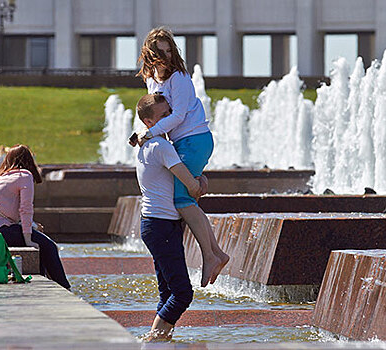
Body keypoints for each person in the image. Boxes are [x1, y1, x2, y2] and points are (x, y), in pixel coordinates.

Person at [134, 27, 229, 287]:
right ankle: (217, 253)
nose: (164, 56)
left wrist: (149, 133)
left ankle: (210, 255)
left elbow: (177, 117)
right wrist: (148, 134)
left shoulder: (180, 78)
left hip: (195, 139)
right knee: (187, 197)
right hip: (181, 142)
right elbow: (156, 112)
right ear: (149, 55)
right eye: (159, 52)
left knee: (182, 199)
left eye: (168, 50)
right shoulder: (152, 79)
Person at [135, 94, 208, 341]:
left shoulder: (149, 146)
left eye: (170, 113)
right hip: (161, 226)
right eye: (163, 116)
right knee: (182, 294)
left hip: (156, 224)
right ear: (148, 122)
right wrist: (198, 182)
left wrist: (196, 181)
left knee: (167, 292)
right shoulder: (162, 146)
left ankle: (161, 341)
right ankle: (153, 339)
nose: (170, 120)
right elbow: (191, 186)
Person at [0, 145, 71, 290]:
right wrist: (28, 240)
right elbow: (25, 210)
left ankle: (48, 283)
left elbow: (9, 212)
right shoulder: (24, 175)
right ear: (29, 160)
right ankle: (65, 288)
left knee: (40, 244)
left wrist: (32, 226)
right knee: (49, 246)